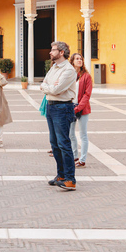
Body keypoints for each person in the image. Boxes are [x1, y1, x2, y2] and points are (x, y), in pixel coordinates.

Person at [40, 41, 78, 191]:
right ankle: (61, 175)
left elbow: (56, 89)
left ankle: (70, 179)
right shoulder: (54, 67)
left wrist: (48, 87)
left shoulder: (69, 70)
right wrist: (48, 87)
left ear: (62, 52)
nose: (50, 52)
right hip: (51, 106)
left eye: (53, 50)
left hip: (63, 107)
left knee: (63, 143)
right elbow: (45, 83)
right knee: (54, 143)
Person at [69, 53, 92, 168]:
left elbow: (87, 95)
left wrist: (78, 108)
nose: (79, 61)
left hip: (82, 109)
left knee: (83, 135)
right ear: (72, 61)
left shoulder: (86, 76)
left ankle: (82, 160)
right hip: (71, 106)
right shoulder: (69, 75)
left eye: (81, 59)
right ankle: (74, 156)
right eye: (77, 59)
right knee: (70, 133)